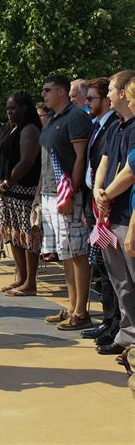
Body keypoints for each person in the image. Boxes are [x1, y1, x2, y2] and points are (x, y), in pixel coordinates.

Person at [38, 74, 93, 330]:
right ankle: (71, 307)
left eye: (48, 90)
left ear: (62, 91)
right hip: (50, 193)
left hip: (68, 194)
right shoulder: (52, 119)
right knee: (65, 254)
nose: (44, 95)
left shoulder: (76, 117)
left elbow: (81, 158)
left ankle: (82, 311)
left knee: (77, 253)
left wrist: (73, 192)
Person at [93, 69, 135, 355]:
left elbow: (131, 172)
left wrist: (107, 195)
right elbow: (105, 163)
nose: (107, 94)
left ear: (123, 93)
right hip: (108, 216)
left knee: (132, 280)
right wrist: (98, 190)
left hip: (125, 216)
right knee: (119, 280)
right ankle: (127, 335)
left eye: (110, 89)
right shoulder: (116, 127)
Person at [80, 78, 120, 345]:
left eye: (91, 99)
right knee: (103, 267)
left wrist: (102, 197)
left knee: (112, 271)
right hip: (94, 202)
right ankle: (108, 321)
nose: (87, 103)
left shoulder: (114, 127)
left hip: (110, 205)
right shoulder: (98, 126)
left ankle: (116, 325)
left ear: (107, 100)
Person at [0, 91, 42, 296]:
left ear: (24, 108)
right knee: (13, 234)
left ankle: (30, 282)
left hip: (24, 191)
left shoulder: (30, 129)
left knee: (28, 237)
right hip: (7, 193)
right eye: (7, 108)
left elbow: (26, 162)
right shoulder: (11, 128)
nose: (9, 112)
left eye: (13, 108)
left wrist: (7, 182)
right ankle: (20, 277)